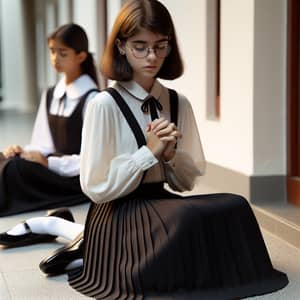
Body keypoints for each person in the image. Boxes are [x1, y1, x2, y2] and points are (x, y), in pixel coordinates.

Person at [0, 1, 288, 299]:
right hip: (116, 211)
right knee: (186, 220)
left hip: (160, 201)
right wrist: (146, 154)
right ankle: (86, 244)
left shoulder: (178, 103)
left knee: (235, 204)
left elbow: (186, 183)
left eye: (160, 45)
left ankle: (80, 243)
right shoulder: (103, 104)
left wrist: (170, 156)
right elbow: (95, 187)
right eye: (140, 46)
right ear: (121, 46)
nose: (152, 56)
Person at [0, 23, 99, 217]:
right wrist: (23, 151)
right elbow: (42, 143)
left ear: (80, 56)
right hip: (51, 166)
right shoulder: (51, 94)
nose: (55, 58)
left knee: (14, 169)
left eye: (63, 53)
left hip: (73, 176)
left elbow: (93, 160)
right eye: (52, 51)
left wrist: (48, 163)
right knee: (6, 158)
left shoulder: (93, 99)